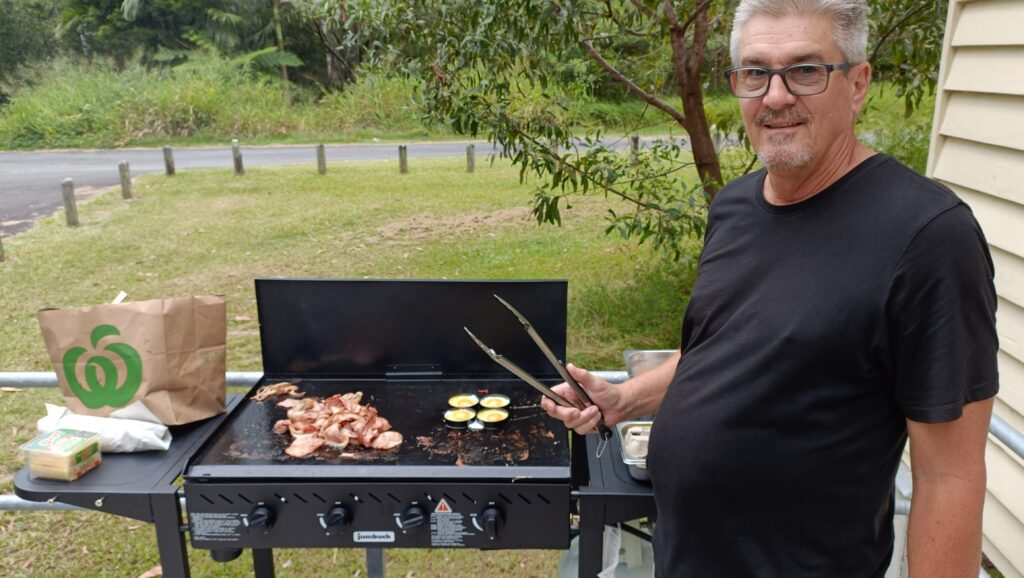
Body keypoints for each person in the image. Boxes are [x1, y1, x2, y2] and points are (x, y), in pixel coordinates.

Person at [542, 1, 999, 576]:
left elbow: (949, 476)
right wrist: (624, 400)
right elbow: (723, 348)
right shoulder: (736, 205)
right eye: (755, 73)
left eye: (806, 70)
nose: (776, 97)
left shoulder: (929, 238)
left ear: (857, 84)